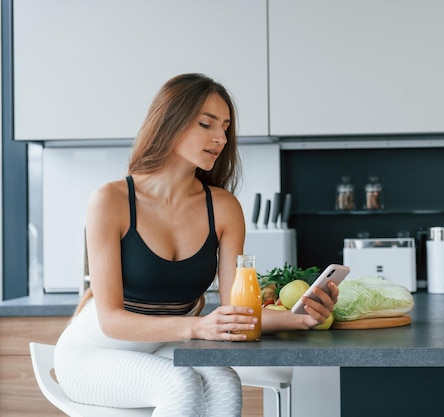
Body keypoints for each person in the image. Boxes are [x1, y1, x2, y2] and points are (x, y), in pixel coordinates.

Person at [54, 73, 339, 417]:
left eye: (226, 127)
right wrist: (196, 326)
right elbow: (111, 321)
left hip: (161, 349)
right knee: (180, 385)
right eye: (207, 124)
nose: (221, 137)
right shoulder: (111, 200)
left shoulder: (222, 207)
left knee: (223, 380)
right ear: (170, 123)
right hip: (92, 356)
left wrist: (301, 319)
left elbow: (238, 312)